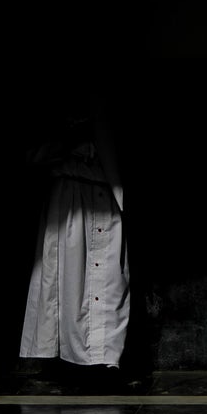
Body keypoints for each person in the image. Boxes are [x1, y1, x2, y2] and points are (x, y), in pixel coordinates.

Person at [19, 70, 129, 388]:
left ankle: (101, 357)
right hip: (71, 193)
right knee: (63, 278)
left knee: (104, 279)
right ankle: (68, 358)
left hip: (101, 193)